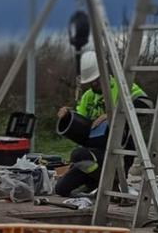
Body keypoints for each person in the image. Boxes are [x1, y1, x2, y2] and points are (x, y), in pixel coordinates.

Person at [54, 50, 152, 197]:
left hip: (117, 153)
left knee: (78, 155)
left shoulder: (123, 87)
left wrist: (112, 114)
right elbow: (82, 126)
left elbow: (147, 104)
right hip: (94, 154)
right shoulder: (88, 96)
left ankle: (113, 181)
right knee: (62, 189)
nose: (94, 84)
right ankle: (97, 183)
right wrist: (67, 117)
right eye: (91, 82)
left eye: (96, 80)